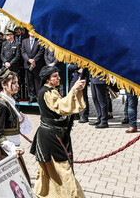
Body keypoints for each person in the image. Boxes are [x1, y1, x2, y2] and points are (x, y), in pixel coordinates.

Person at [30, 66, 87, 198]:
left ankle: (45, 193)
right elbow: (62, 107)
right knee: (63, 169)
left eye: (58, 75)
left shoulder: (51, 91)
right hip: (50, 136)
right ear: (48, 79)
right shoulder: (47, 93)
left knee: (49, 168)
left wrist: (77, 90)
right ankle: (73, 195)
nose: (58, 78)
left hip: (51, 134)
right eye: (55, 76)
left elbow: (64, 107)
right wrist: (74, 90)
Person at [0, 67, 32, 183]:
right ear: (4, 84)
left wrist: (21, 120)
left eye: (17, 82)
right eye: (13, 83)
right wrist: (12, 148)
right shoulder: (1, 105)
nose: (17, 86)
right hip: (3, 151)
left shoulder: (9, 101)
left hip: (12, 150)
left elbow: (10, 124)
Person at [21, 30, 45, 102]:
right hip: (27, 64)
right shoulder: (24, 41)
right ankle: (31, 96)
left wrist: (34, 60)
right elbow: (23, 52)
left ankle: (38, 96)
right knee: (29, 81)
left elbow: (41, 51)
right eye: (31, 31)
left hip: (37, 64)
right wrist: (29, 60)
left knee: (37, 81)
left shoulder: (39, 41)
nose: (32, 33)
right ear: (28, 33)